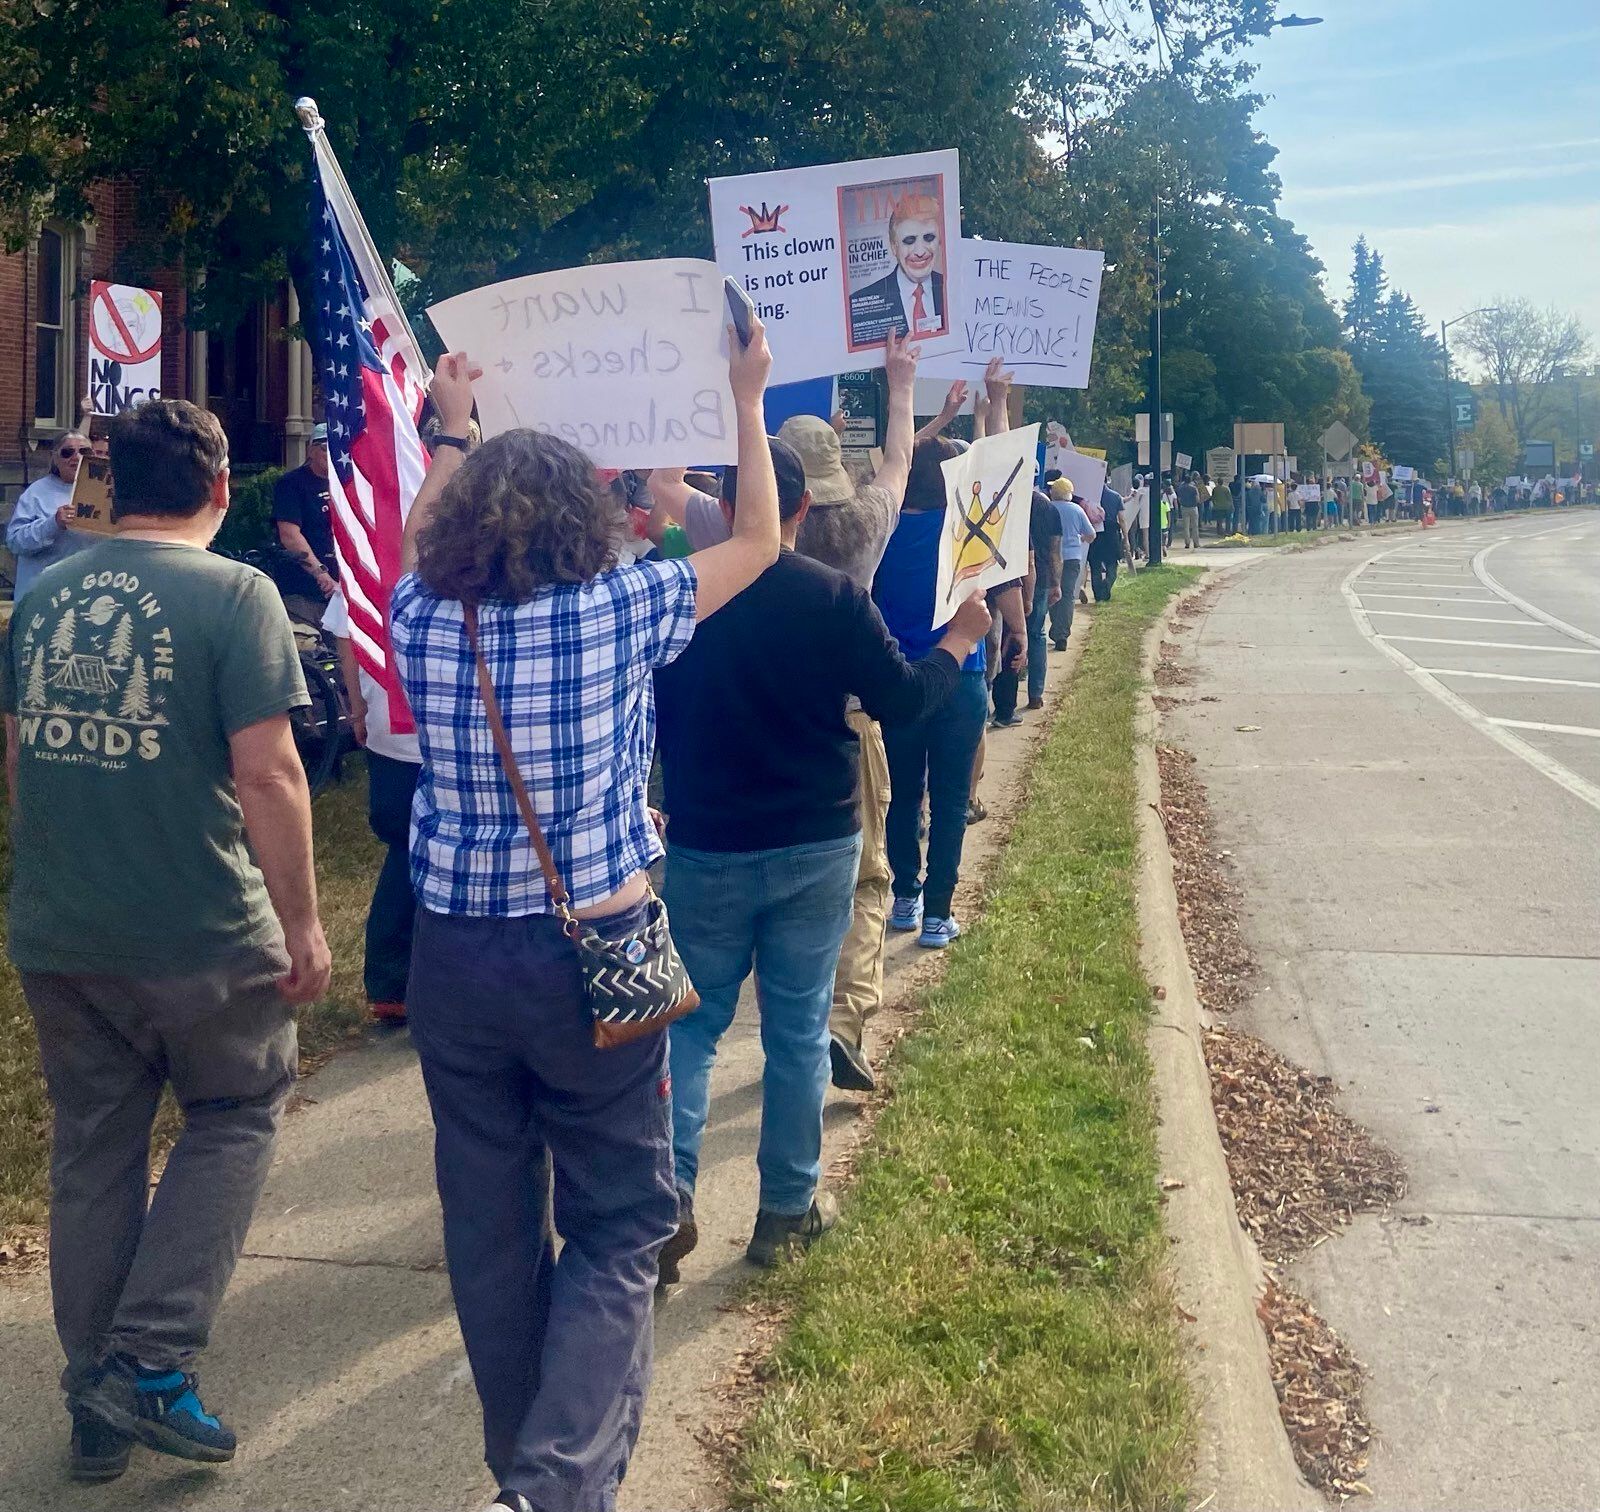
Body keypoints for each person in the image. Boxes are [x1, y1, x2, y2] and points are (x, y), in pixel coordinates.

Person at [389, 328, 780, 1512]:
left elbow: (414, 540)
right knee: (622, 1219)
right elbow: (762, 538)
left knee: (491, 1224)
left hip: (451, 954)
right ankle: (554, 1487)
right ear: (586, 516)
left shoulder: (418, 613)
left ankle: (523, 1470)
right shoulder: (624, 604)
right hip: (593, 952)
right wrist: (742, 398)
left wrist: (451, 430)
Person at [3, 398, 330, 1480]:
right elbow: (271, 773)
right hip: (197, 927)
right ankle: (146, 1363)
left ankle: (93, 1396)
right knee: (236, 1110)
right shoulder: (237, 594)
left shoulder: (43, 597)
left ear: (109, 486)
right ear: (220, 487)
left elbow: (21, 759)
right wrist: (304, 924)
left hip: (62, 927)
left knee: (95, 1151)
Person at [654, 436, 988, 1275]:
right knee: (799, 1030)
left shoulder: (672, 597)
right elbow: (905, 701)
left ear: (721, 506)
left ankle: (663, 1203)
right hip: (814, 837)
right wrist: (958, 643)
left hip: (705, 840)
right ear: (804, 509)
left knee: (688, 1030)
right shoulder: (835, 597)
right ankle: (786, 1210)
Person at [779, 335, 925, 1093]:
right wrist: (900, 385)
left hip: (752, 720)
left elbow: (673, 489)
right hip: (847, 722)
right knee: (867, 881)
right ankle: (843, 1019)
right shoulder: (864, 527)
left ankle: (784, 1028)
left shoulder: (733, 536)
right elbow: (897, 461)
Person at [873, 436, 991, 951]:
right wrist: (995, 402)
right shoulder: (967, 532)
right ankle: (938, 914)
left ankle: (904, 895)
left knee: (901, 794)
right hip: (960, 677)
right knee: (950, 800)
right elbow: (1000, 468)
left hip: (900, 680)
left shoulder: (882, 533)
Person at [324, 589, 422, 1024]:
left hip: (387, 725)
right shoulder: (466, 544)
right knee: (420, 857)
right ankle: (402, 982)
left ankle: (390, 983)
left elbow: (346, 634)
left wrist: (358, 708)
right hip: (445, 731)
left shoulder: (366, 540)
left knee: (403, 851)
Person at [847, 194, 947, 348]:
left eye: (929, 238)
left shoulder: (954, 290)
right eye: (909, 240)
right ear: (894, 246)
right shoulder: (859, 304)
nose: (920, 251)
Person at [6, 432, 95, 598]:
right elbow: (14, 542)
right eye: (67, 452)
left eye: (84, 452)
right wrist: (53, 524)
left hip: (85, 596)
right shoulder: (36, 493)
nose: (76, 457)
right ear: (55, 458)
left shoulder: (105, 493)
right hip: (42, 597)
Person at [271, 422, 338, 619]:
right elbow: (290, 535)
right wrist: (321, 574)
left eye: (335, 447)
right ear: (311, 450)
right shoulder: (292, 484)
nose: (330, 453)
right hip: (305, 591)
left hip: (343, 590)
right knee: (309, 644)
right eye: (324, 447)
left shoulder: (345, 483)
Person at [1023, 484, 1063, 708]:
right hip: (1042, 577)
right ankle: (1035, 694)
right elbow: (1055, 550)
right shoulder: (1049, 509)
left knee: (1009, 633)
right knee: (1037, 633)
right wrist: (1056, 583)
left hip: (1010, 579)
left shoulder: (1008, 501)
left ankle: (1002, 697)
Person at [1047, 478, 1093, 649]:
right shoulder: (1077, 510)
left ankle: (1055, 627)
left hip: (1052, 558)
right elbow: (1091, 534)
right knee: (1067, 595)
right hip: (1073, 557)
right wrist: (1081, 539)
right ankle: (1062, 634)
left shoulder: (1048, 508)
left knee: (1053, 591)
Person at [1088, 480, 1126, 601]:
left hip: (1095, 533)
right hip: (1111, 533)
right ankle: (1107, 585)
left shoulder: (1089, 497)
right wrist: (1126, 538)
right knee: (1112, 564)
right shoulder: (1116, 496)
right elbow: (1122, 519)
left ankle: (1098, 594)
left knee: (1095, 564)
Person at [1177, 470, 1201, 549]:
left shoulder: (1180, 488)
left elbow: (1179, 499)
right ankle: (1196, 543)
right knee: (1195, 526)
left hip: (1184, 508)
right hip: (1193, 508)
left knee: (1186, 527)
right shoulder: (1194, 488)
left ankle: (1187, 543)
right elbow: (1197, 499)